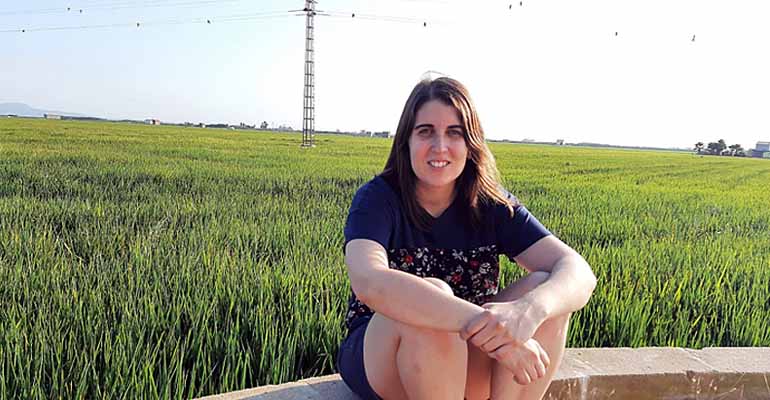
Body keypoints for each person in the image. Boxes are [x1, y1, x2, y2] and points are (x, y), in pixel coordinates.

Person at [336, 76, 597, 400]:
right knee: (430, 300)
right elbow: (370, 280)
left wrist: (528, 311)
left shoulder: (492, 205)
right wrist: (488, 325)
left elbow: (578, 272)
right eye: (425, 131)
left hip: (469, 355)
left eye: (454, 133)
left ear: (471, 143)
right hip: (384, 359)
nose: (440, 146)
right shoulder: (378, 199)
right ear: (406, 141)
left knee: (544, 287)